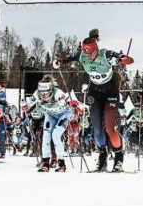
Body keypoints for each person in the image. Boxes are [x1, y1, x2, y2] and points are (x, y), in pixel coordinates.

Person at [55, 29, 133, 173]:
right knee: (96, 130)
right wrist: (60, 61)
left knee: (109, 129)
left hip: (110, 92)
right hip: (94, 93)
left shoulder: (105, 54)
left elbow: (129, 59)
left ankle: (118, 157)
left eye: (91, 53)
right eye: (86, 54)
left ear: (96, 49)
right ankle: (102, 155)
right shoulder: (82, 56)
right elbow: (67, 59)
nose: (88, 57)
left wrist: (121, 60)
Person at [25, 75, 73, 172]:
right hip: (51, 115)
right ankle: (45, 162)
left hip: (63, 115)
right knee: (46, 136)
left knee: (55, 135)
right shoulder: (37, 94)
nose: (43, 96)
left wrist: (72, 103)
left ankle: (61, 163)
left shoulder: (58, 93)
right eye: (41, 93)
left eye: (46, 93)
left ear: (51, 90)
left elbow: (70, 101)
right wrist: (26, 106)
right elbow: (29, 103)